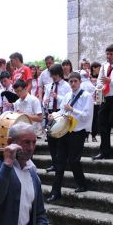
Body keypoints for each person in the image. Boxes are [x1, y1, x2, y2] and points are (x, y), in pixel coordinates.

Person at [46, 72, 93, 202]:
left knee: (74, 160)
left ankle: (82, 184)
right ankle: (55, 192)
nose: (72, 84)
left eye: (75, 81)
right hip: (65, 130)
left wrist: (73, 109)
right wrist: (53, 115)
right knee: (59, 161)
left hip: (78, 132)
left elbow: (87, 115)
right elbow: (62, 111)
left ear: (79, 82)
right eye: (70, 81)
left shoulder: (86, 96)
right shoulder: (67, 95)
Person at [43, 63, 70, 171]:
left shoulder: (66, 86)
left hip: (61, 114)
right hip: (50, 114)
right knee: (51, 142)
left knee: (60, 142)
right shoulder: (49, 86)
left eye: (55, 75)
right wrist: (45, 102)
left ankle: (61, 164)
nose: (53, 77)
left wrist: (57, 97)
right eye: (52, 75)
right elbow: (45, 98)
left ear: (59, 74)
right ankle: (54, 164)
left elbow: (68, 101)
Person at [90, 61, 102, 142]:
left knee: (96, 118)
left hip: (98, 100)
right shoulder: (88, 77)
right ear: (94, 68)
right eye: (99, 68)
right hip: (90, 100)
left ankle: (94, 135)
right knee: (90, 118)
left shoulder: (101, 77)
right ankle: (86, 136)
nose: (100, 69)